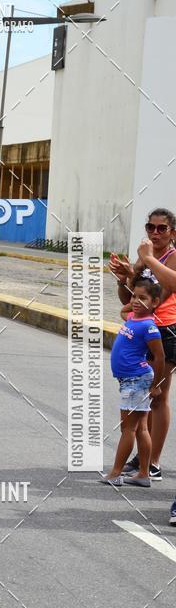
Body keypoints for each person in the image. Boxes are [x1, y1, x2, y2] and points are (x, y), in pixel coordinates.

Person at [109, 208, 176, 480]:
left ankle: (155, 462)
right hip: (141, 331)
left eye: (162, 228)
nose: (155, 233)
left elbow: (167, 289)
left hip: (166, 330)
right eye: (151, 227)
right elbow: (129, 297)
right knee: (143, 399)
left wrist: (146, 260)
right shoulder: (144, 258)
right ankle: (142, 461)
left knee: (158, 395)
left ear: (173, 233)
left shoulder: (171, 257)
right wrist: (125, 276)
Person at [101, 278, 164, 487]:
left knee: (128, 429)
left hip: (136, 380)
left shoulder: (148, 326)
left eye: (143, 298)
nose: (136, 301)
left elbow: (160, 357)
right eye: (135, 296)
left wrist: (156, 385)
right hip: (129, 380)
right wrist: (134, 295)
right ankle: (144, 474)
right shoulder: (133, 317)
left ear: (155, 302)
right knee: (141, 428)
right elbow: (126, 307)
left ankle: (116, 473)